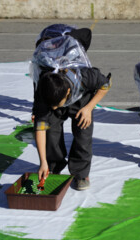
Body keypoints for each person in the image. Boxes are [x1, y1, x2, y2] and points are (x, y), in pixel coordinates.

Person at [30, 24, 112, 191]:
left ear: (68, 92)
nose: (53, 109)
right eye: (50, 106)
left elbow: (106, 84)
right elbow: (40, 128)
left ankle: (81, 174)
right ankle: (53, 167)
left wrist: (89, 108)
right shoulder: (44, 90)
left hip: (81, 100)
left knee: (83, 134)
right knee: (51, 133)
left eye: (56, 105)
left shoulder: (84, 76)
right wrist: (43, 162)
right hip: (54, 93)